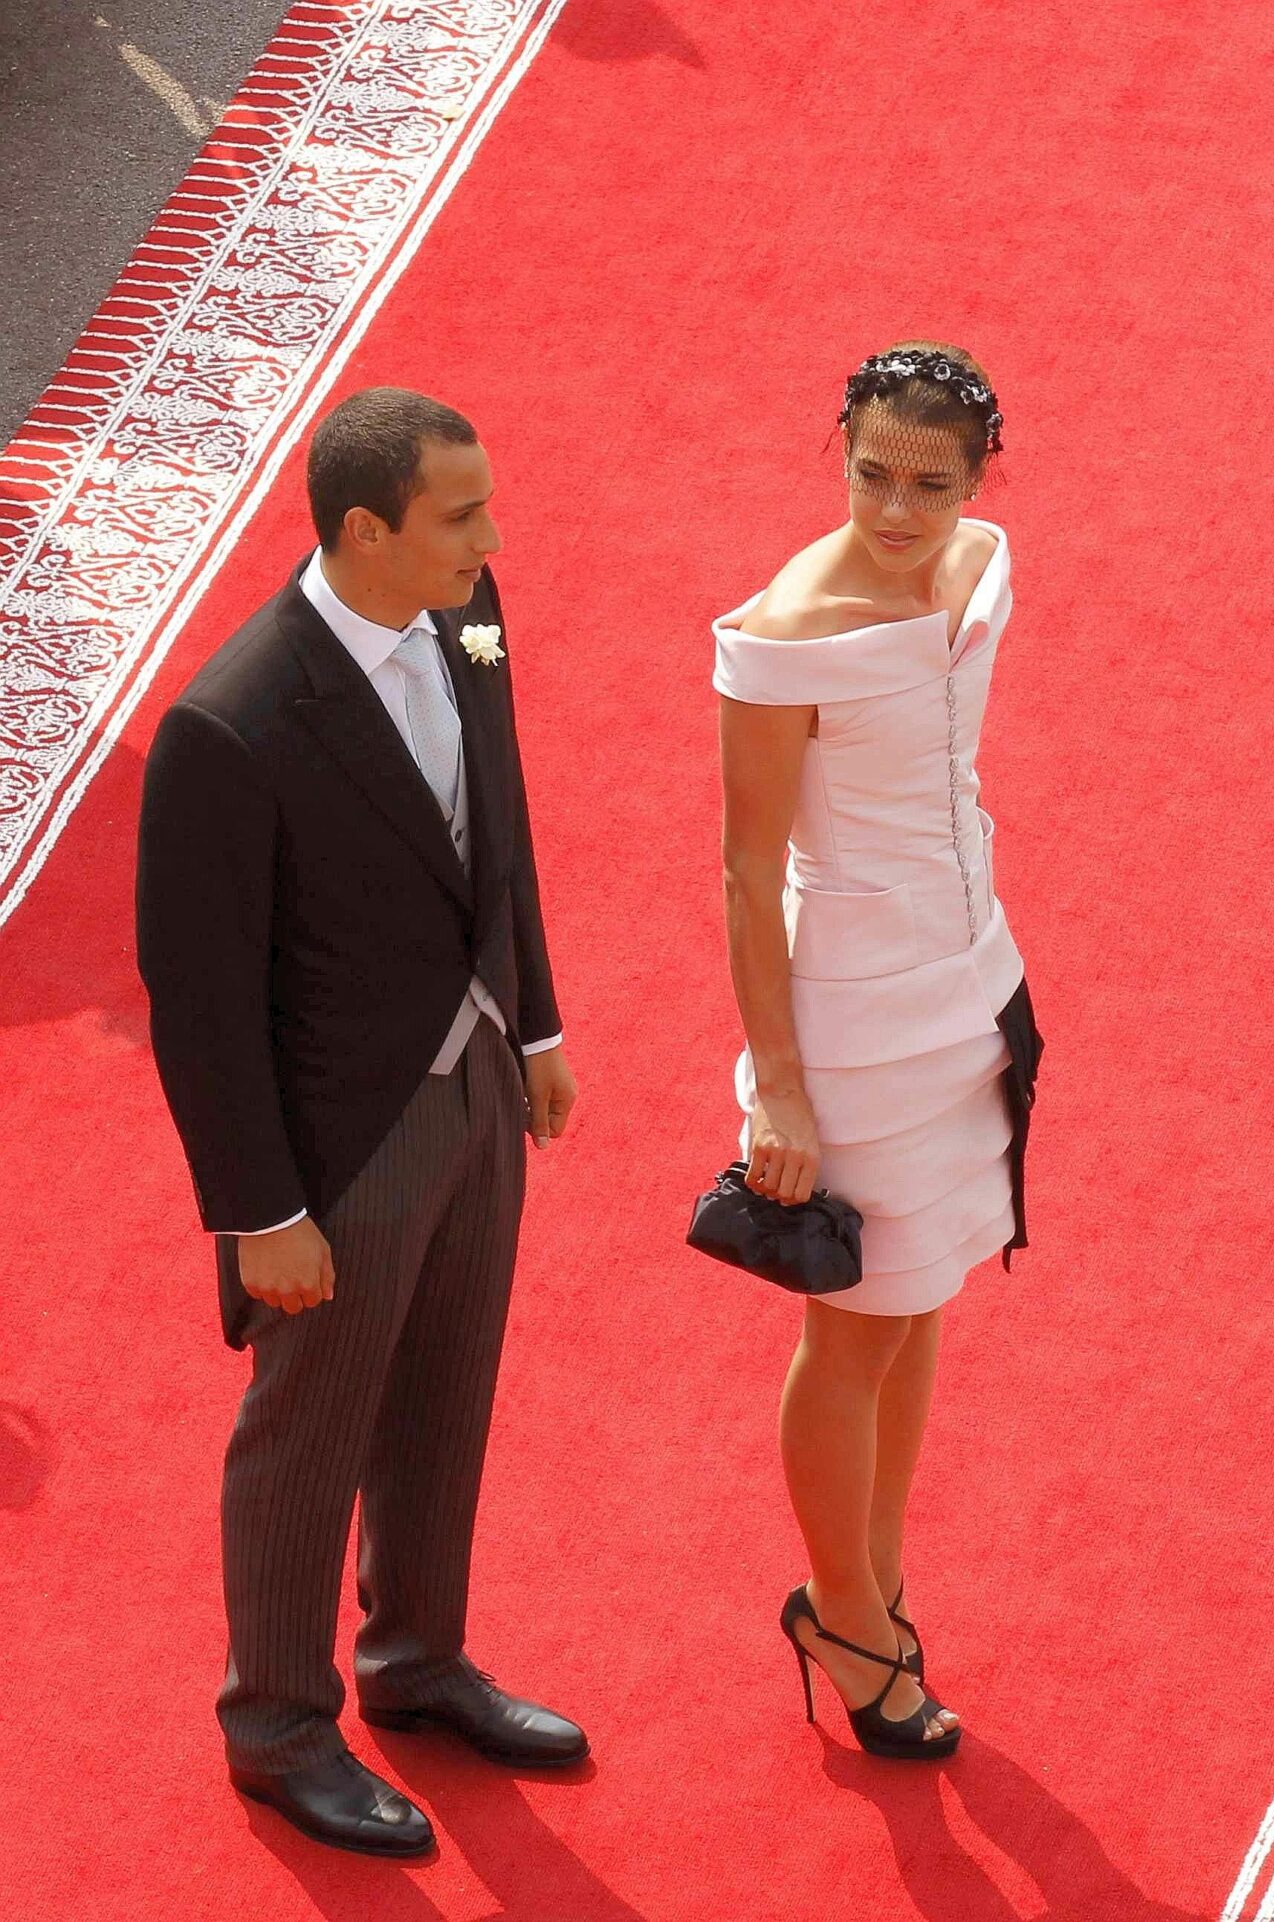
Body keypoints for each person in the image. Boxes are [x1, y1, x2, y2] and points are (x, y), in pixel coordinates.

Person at [136, 388, 587, 1858]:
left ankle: (416, 1659)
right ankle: (274, 1723)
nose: (494, 538)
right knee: (308, 1434)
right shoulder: (233, 721)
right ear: (364, 530)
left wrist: (534, 1023)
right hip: (340, 1148)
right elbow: (199, 1002)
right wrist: (261, 1214)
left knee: (445, 1396)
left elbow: (497, 822)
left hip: (474, 1090)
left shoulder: (468, 607)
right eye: (463, 515)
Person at [715, 343, 1040, 1763]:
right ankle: (842, 1614)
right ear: (834, 447)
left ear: (979, 479)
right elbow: (743, 868)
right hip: (851, 1012)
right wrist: (776, 1080)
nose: (897, 511)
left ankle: (879, 1579)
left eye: (931, 482)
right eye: (870, 474)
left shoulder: (980, 563)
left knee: (918, 1308)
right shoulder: (788, 628)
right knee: (852, 1323)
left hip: (973, 985)